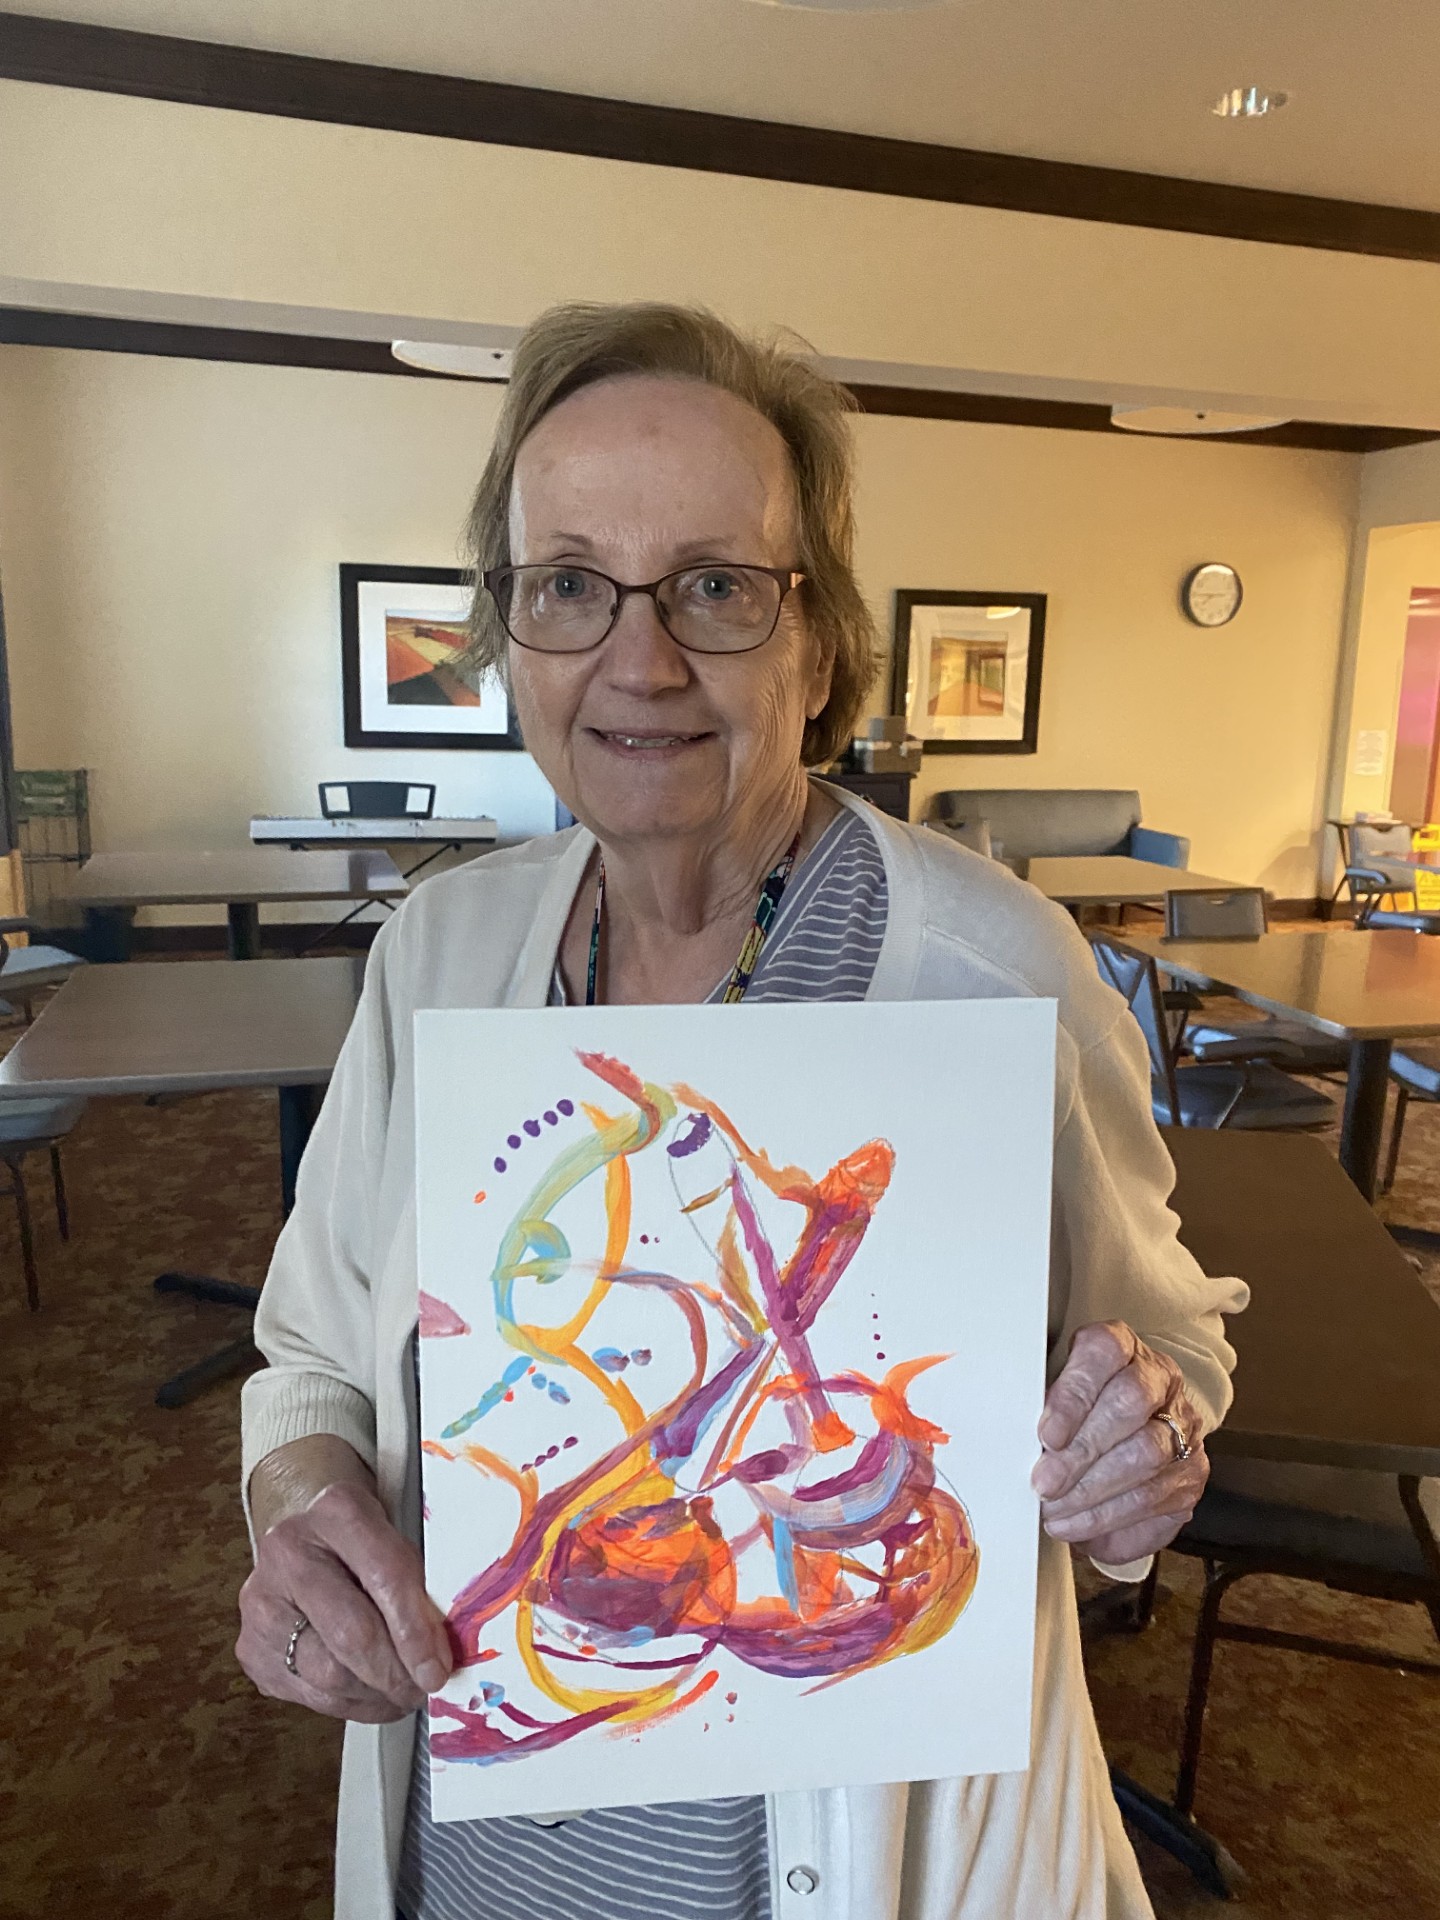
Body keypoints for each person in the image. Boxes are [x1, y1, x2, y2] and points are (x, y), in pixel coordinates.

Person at [236, 302, 1246, 1920]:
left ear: (819, 642)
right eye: (570, 585)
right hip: (472, 1867)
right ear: (511, 634)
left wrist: (1144, 1439)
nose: (639, 662)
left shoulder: (993, 972)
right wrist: (304, 1509)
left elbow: (1170, 1338)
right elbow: (307, 1359)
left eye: (715, 586)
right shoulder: (439, 949)